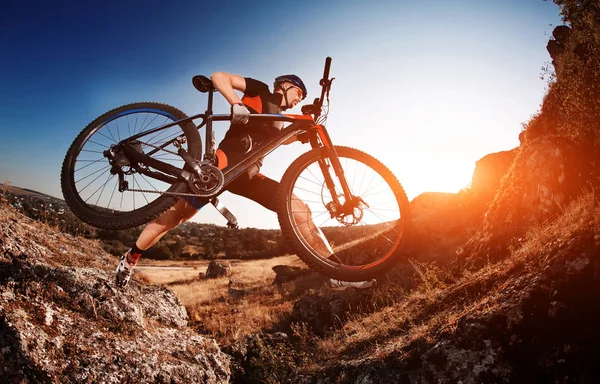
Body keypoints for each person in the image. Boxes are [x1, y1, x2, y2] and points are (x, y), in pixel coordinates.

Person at [114, 72, 375, 290]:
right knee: (172, 219)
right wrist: (235, 103)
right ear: (286, 86)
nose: (299, 100)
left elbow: (281, 139)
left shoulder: (277, 121)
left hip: (247, 177)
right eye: (299, 93)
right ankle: (130, 259)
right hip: (222, 167)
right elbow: (219, 77)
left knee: (298, 208)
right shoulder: (260, 91)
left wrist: (302, 135)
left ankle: (336, 273)